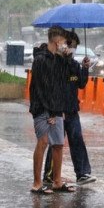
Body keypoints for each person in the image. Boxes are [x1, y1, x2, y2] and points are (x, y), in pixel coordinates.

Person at [43, 31, 97, 186]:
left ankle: (82, 173)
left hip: (72, 109)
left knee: (77, 140)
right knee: (56, 143)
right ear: (62, 44)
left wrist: (85, 68)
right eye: (70, 45)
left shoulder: (72, 63)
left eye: (74, 46)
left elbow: (80, 82)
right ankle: (49, 174)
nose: (72, 49)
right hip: (57, 110)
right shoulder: (55, 61)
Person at [29, 26, 76, 194]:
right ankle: (37, 183)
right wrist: (48, 112)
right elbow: (40, 88)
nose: (65, 45)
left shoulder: (59, 59)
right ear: (57, 41)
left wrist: (68, 58)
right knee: (42, 143)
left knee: (58, 145)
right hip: (42, 109)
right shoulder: (41, 60)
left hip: (56, 109)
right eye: (64, 42)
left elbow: (67, 79)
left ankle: (57, 181)